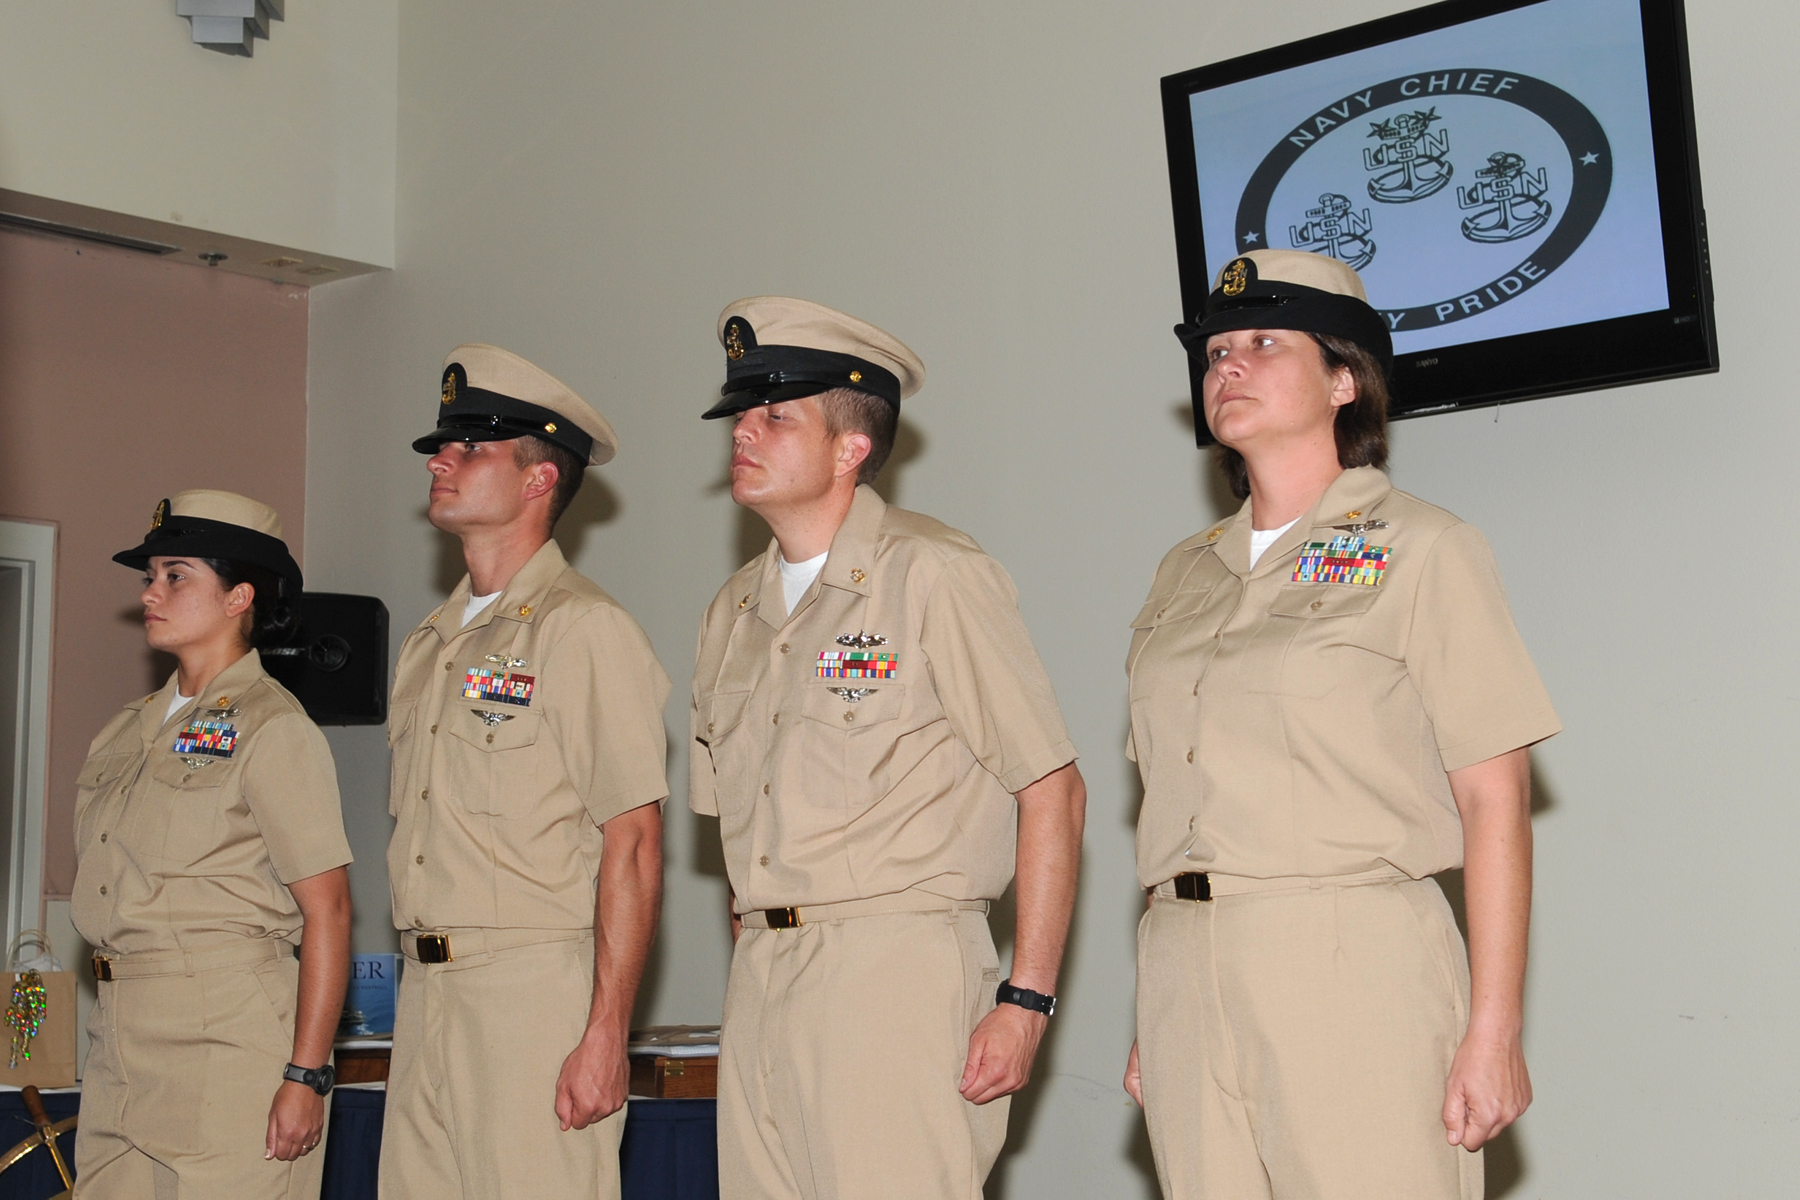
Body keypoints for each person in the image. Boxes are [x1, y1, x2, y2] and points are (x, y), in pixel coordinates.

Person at [1121, 249, 1561, 1200]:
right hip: (1185, 967)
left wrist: (1495, 1029)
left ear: (1344, 379)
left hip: (1350, 955)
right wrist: (1158, 1007)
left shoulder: (1426, 548)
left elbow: (1494, 800)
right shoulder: (1183, 574)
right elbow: (1174, 797)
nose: (1227, 366)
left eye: (1263, 343)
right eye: (1215, 353)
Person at [689, 297, 1088, 1200]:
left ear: (850, 448)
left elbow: (1054, 789)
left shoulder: (935, 575)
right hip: (761, 975)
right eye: (739, 414)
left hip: (893, 972)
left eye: (774, 415)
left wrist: (1025, 1002)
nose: (742, 432)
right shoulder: (731, 613)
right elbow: (734, 839)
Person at [380, 344, 670, 1200]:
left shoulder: (583, 630)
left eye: (471, 448)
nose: (441, 459)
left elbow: (636, 840)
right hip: (425, 993)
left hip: (530, 994)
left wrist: (607, 1031)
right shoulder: (430, 645)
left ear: (540, 479)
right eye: (443, 445)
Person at [73, 489, 354, 1199]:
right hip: (119, 1033)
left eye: (176, 575)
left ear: (239, 597)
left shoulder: (272, 727)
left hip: (226, 1036)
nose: (151, 593)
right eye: (149, 577)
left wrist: (306, 1075)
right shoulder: (124, 730)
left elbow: (329, 912)